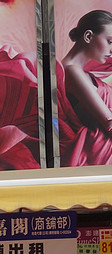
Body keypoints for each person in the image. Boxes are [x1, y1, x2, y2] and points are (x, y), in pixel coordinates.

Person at [57, 10, 112, 166]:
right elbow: (109, 122)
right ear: (88, 36)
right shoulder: (72, 71)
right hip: (99, 154)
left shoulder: (79, 72)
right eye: (109, 41)